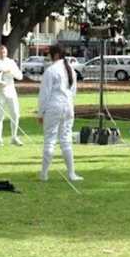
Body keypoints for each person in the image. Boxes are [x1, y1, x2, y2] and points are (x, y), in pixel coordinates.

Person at [37, 46, 82, 182]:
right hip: (68, 106)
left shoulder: (51, 71)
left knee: (50, 140)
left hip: (54, 106)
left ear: (55, 55)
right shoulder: (71, 70)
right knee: (66, 140)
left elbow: (45, 94)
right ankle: (71, 173)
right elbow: (73, 92)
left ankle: (44, 174)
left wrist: (40, 113)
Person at [0, 45, 24, 146]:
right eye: (1, 52)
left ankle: (14, 137)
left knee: (15, 114)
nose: (3, 54)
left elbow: (20, 76)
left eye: (4, 52)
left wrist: (12, 72)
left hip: (11, 91)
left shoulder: (11, 62)